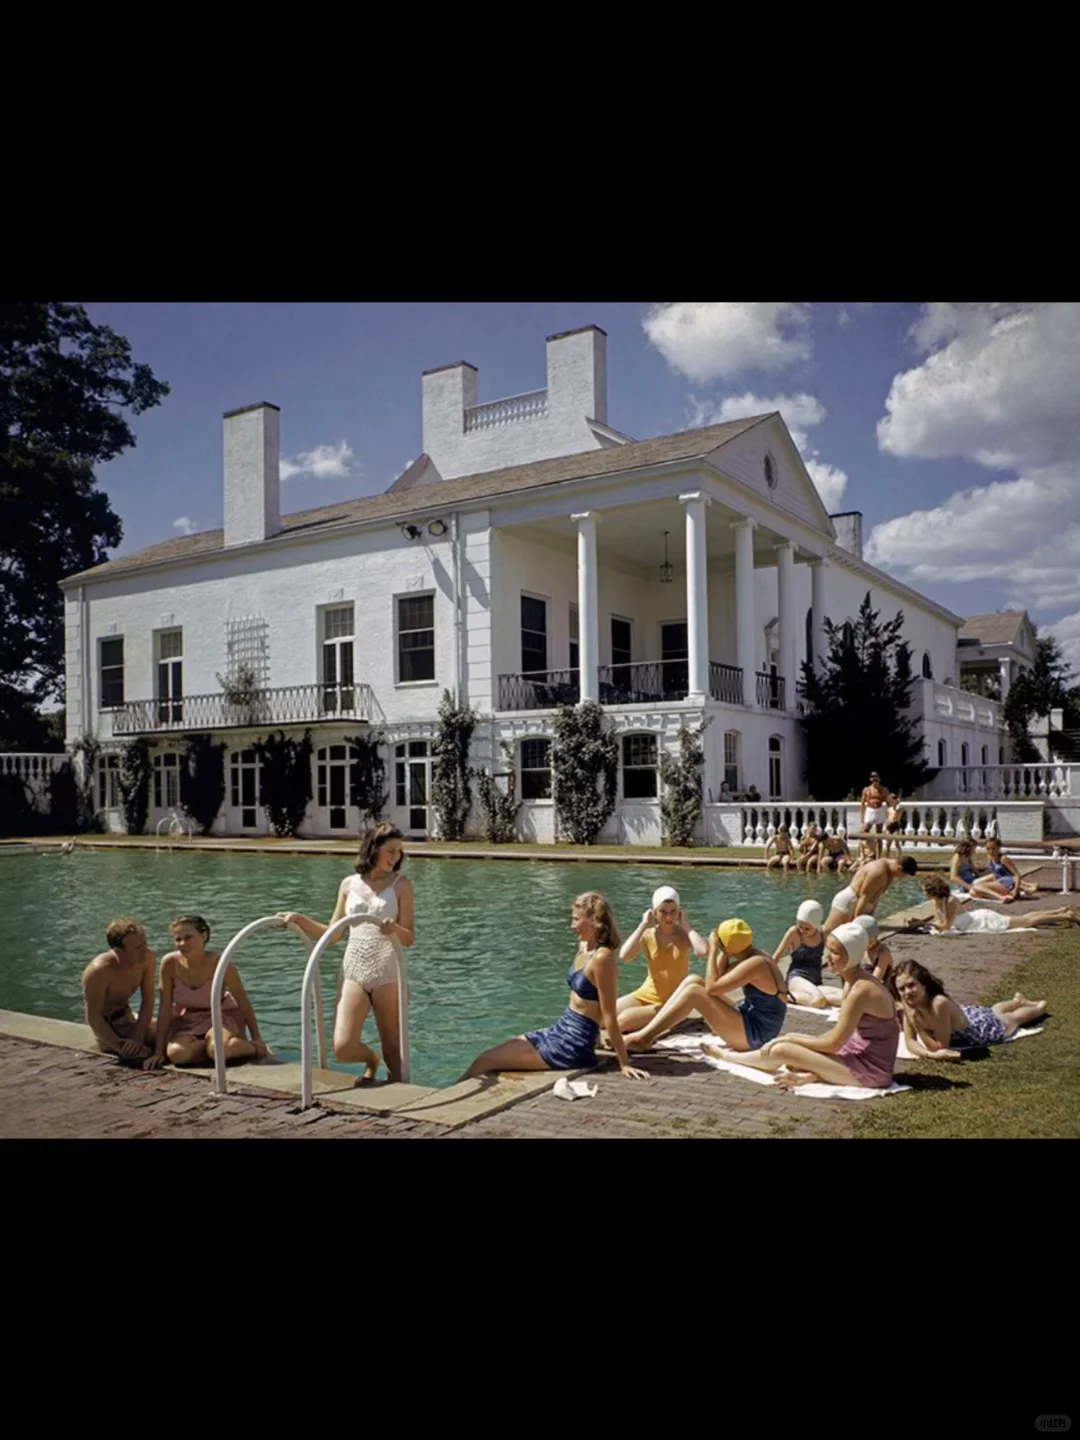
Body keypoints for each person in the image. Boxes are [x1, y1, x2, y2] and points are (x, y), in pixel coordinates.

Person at [278, 821, 413, 1084]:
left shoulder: (402, 885)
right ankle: (371, 1060)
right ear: (373, 849)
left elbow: (409, 938)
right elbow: (334, 933)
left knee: (394, 1052)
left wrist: (394, 928)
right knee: (342, 1046)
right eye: (390, 851)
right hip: (353, 968)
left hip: (388, 970)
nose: (395, 857)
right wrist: (300, 920)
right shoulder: (348, 884)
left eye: (399, 852)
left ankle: (402, 1102)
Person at [461, 892, 648, 1082]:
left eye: (576, 920)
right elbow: (582, 1002)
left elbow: (608, 1015)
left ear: (594, 920)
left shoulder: (602, 958)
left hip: (572, 1046)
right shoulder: (584, 946)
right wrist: (598, 1041)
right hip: (559, 1031)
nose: (572, 925)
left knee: (485, 1061)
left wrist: (624, 1063)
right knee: (484, 1058)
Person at [717, 922, 899, 1091]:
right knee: (788, 1046)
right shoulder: (853, 981)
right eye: (828, 950)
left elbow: (834, 1044)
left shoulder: (861, 990)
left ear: (851, 955)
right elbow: (838, 1036)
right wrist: (791, 1037)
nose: (828, 957)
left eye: (835, 952)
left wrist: (791, 1040)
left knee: (782, 1049)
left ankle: (728, 1057)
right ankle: (810, 1076)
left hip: (872, 1071)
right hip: (855, 1056)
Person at [624, 919, 792, 1054]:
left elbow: (712, 988)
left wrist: (713, 950)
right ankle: (651, 1030)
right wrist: (724, 952)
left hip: (756, 1034)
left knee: (695, 993)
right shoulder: (754, 956)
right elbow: (719, 977)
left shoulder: (755, 965)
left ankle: (643, 1038)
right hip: (750, 1020)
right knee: (694, 980)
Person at [145, 915, 268, 1069]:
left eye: (188, 937)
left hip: (221, 1015)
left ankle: (251, 1048)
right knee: (178, 1054)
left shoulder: (221, 963)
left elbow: (243, 1001)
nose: (182, 944)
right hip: (188, 1019)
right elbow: (165, 1008)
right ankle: (211, 1049)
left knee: (219, 1050)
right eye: (178, 939)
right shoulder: (169, 963)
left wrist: (257, 1038)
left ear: (204, 935)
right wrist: (158, 1051)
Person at [892, 957, 1048, 1060]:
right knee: (993, 1010)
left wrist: (916, 1024)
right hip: (967, 1016)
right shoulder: (910, 1005)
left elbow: (940, 1047)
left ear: (923, 984)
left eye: (911, 985)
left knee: (1012, 1020)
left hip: (978, 1029)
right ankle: (1017, 1001)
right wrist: (928, 1054)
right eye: (902, 989)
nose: (907, 992)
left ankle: (1039, 1007)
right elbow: (910, 1042)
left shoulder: (937, 1004)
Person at [614, 886, 708, 1035]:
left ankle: (672, 1018)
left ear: (679, 912)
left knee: (622, 1022)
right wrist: (643, 924)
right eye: (663, 912)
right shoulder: (648, 934)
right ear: (654, 912)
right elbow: (625, 956)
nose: (669, 917)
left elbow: (703, 951)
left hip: (672, 1001)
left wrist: (686, 925)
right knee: (604, 1016)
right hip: (646, 993)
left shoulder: (685, 935)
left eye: (673, 912)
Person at [81, 919, 157, 1063]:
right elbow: (93, 1017)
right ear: (119, 951)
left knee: (171, 1031)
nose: (145, 951)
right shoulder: (100, 971)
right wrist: (120, 1046)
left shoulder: (147, 957)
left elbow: (148, 1000)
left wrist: (138, 1038)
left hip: (127, 1017)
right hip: (107, 1028)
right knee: (144, 1053)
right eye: (138, 948)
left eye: (145, 943)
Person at [920, 874, 1078, 934]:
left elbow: (945, 925)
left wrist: (932, 926)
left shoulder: (950, 900)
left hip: (983, 920)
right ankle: (1059, 911)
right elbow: (938, 922)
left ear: (932, 889)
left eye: (924, 890)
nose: (923, 893)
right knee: (1024, 918)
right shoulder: (936, 901)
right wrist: (921, 923)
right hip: (974, 922)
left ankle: (1066, 916)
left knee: (1027, 921)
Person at [822, 855, 918, 935]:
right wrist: (856, 923)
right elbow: (863, 897)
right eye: (902, 875)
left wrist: (869, 918)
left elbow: (876, 896)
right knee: (829, 931)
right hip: (850, 901)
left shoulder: (890, 872)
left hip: (862, 904)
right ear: (899, 868)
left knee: (847, 938)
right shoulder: (878, 871)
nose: (901, 878)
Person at [773, 900, 843, 1009]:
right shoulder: (794, 933)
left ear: (816, 925)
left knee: (845, 997)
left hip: (815, 980)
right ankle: (781, 996)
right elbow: (775, 959)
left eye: (807, 928)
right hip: (797, 978)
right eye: (800, 926)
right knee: (818, 1001)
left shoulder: (823, 933)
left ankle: (805, 996)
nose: (802, 930)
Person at [967, 837, 1038, 903]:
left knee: (976, 887)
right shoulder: (990, 858)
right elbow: (995, 874)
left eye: (993, 848)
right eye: (988, 849)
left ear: (998, 848)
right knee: (973, 893)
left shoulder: (1003, 859)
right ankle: (1004, 897)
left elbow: (1017, 875)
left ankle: (1001, 898)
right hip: (999, 882)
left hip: (1007, 884)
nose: (991, 851)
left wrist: (1015, 890)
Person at [853, 913, 894, 985]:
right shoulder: (860, 949)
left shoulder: (883, 953)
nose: (865, 944)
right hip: (861, 985)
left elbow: (875, 980)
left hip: (880, 990)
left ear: (876, 937)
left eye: (869, 941)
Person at [861, 772, 889, 858]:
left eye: (876, 779)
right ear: (870, 780)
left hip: (879, 810)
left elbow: (888, 802)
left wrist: (888, 815)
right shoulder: (866, 790)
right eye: (873, 779)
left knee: (879, 835)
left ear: (879, 779)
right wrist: (862, 816)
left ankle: (878, 855)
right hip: (870, 810)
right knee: (864, 832)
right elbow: (862, 803)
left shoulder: (884, 790)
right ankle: (863, 853)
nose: (874, 781)